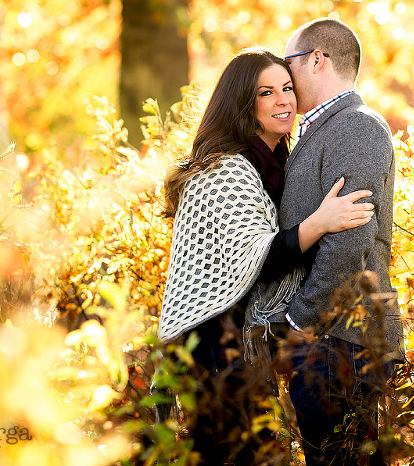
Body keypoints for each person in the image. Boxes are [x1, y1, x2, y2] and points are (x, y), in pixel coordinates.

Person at [157, 48, 375, 465]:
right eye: (266, 93)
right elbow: (256, 259)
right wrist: (321, 222)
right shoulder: (228, 169)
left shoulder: (276, 166)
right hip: (213, 341)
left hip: (244, 339)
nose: (283, 101)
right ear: (243, 103)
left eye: (288, 88)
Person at [279, 18, 405, 465]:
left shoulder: (355, 126)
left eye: (286, 62)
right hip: (330, 340)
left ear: (316, 60)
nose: (282, 75)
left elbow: (351, 242)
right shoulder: (322, 129)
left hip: (342, 340)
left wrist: (300, 322)